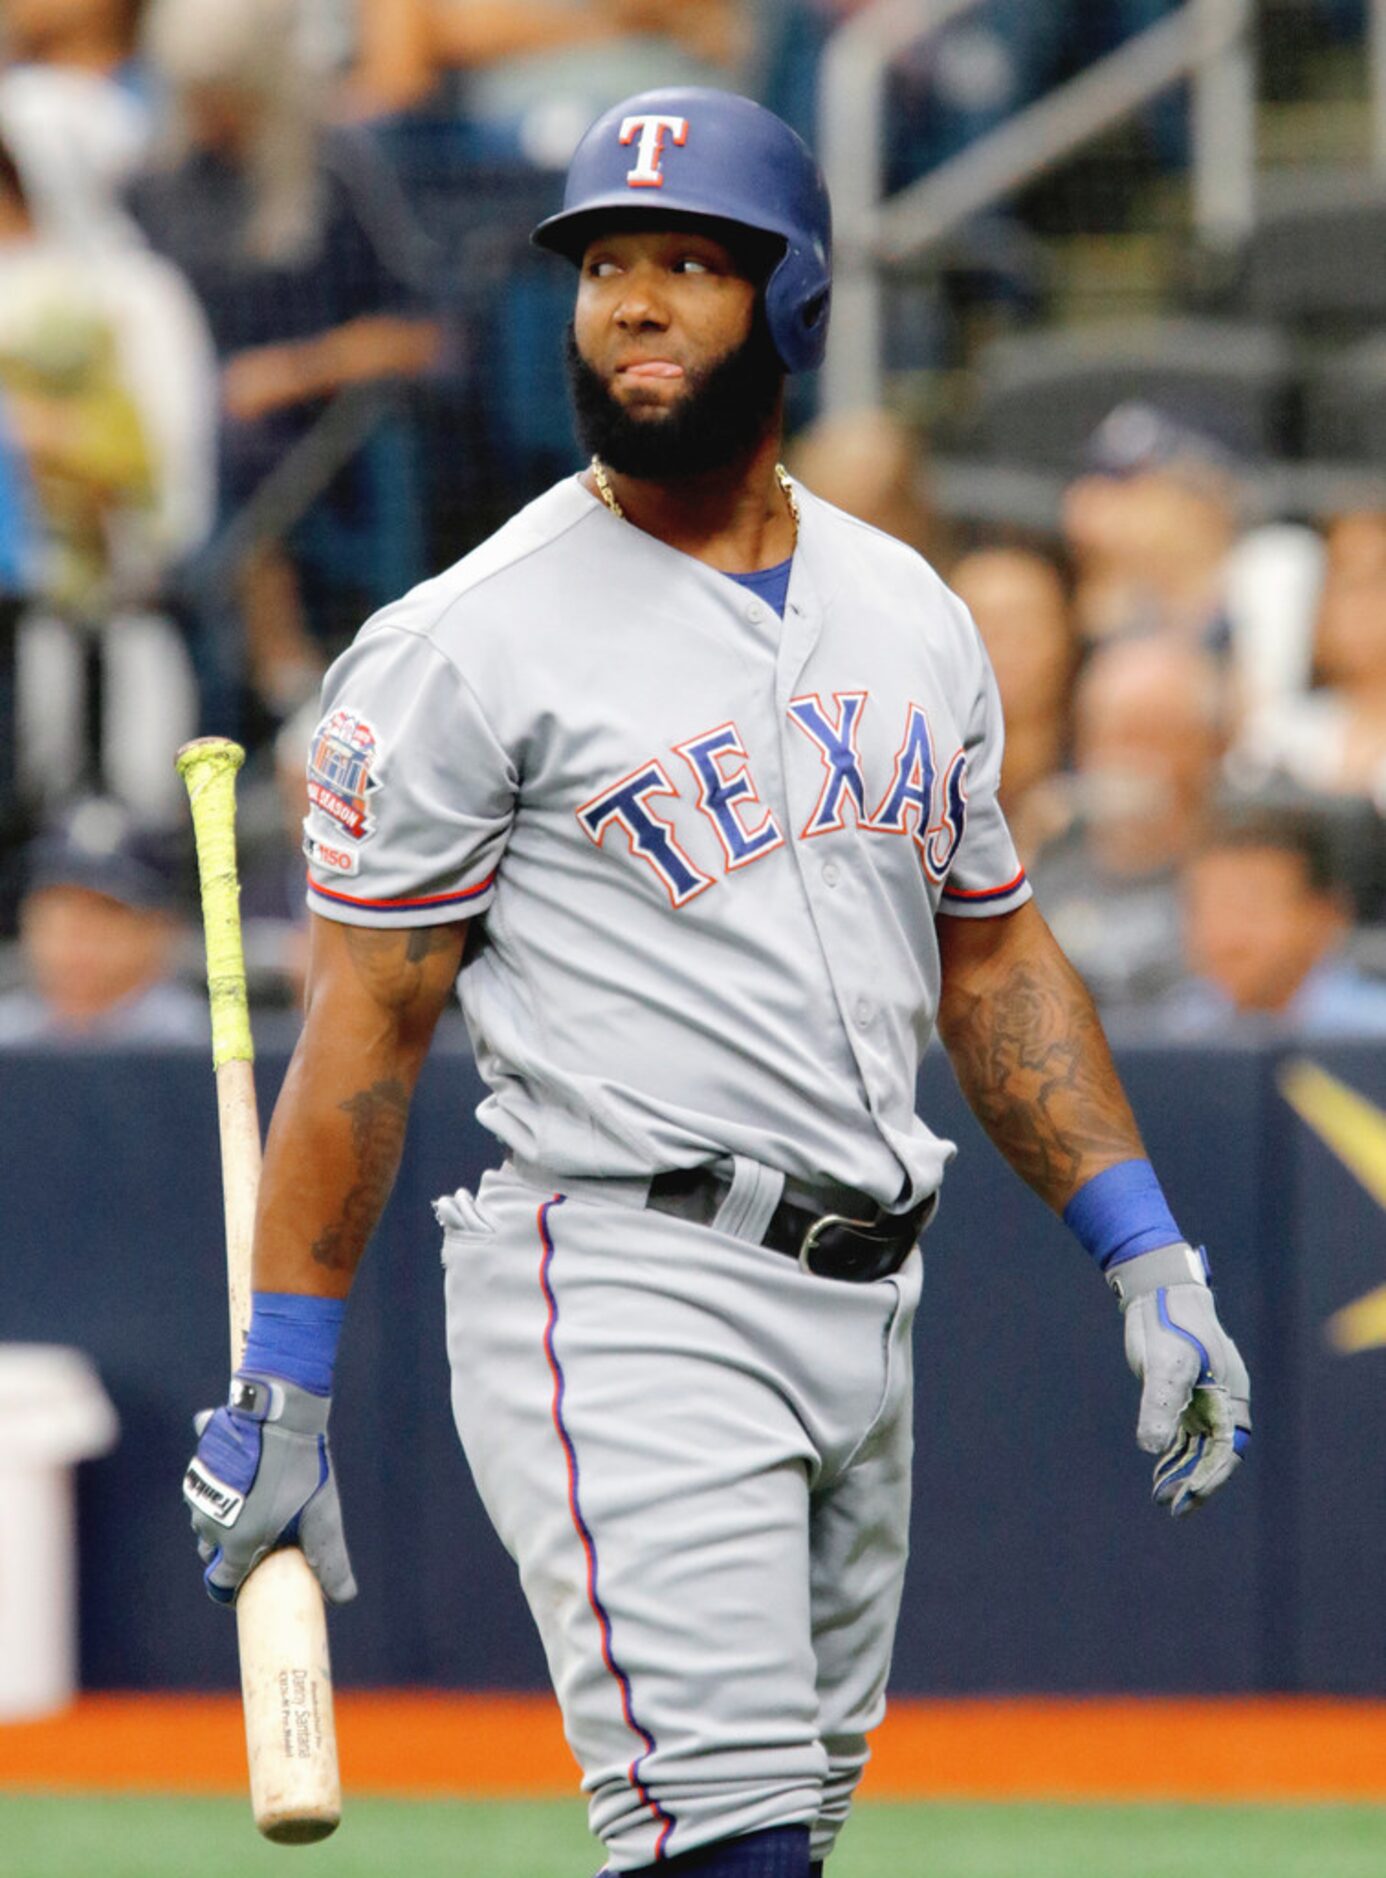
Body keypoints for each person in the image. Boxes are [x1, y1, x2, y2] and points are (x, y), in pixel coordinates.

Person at [180, 91, 1250, 1878]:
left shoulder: (908, 606)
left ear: (800, 304)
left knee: (777, 1846)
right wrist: (288, 1370)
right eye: (606, 263)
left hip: (865, 1303)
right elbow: (367, 1019)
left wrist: (1142, 1246)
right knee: (724, 1848)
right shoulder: (465, 639)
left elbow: (987, 947)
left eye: (691, 261)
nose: (635, 301)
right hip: (620, 1282)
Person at [1029, 636, 1226, 1013]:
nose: (1132, 758)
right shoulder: (1043, 872)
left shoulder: (1230, 876)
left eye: (1157, 735)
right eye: (1116, 735)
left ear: (1209, 747)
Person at [1158, 806, 1386, 1038]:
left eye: (1250, 910)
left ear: (1326, 916)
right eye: (1205, 910)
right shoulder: (1174, 1029)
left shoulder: (1374, 1031)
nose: (1227, 937)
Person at [0, 794, 206, 1045]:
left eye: (106, 914)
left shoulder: (201, 1043)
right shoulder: (10, 1035)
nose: (77, 938)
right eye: (61, 912)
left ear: (160, 927)